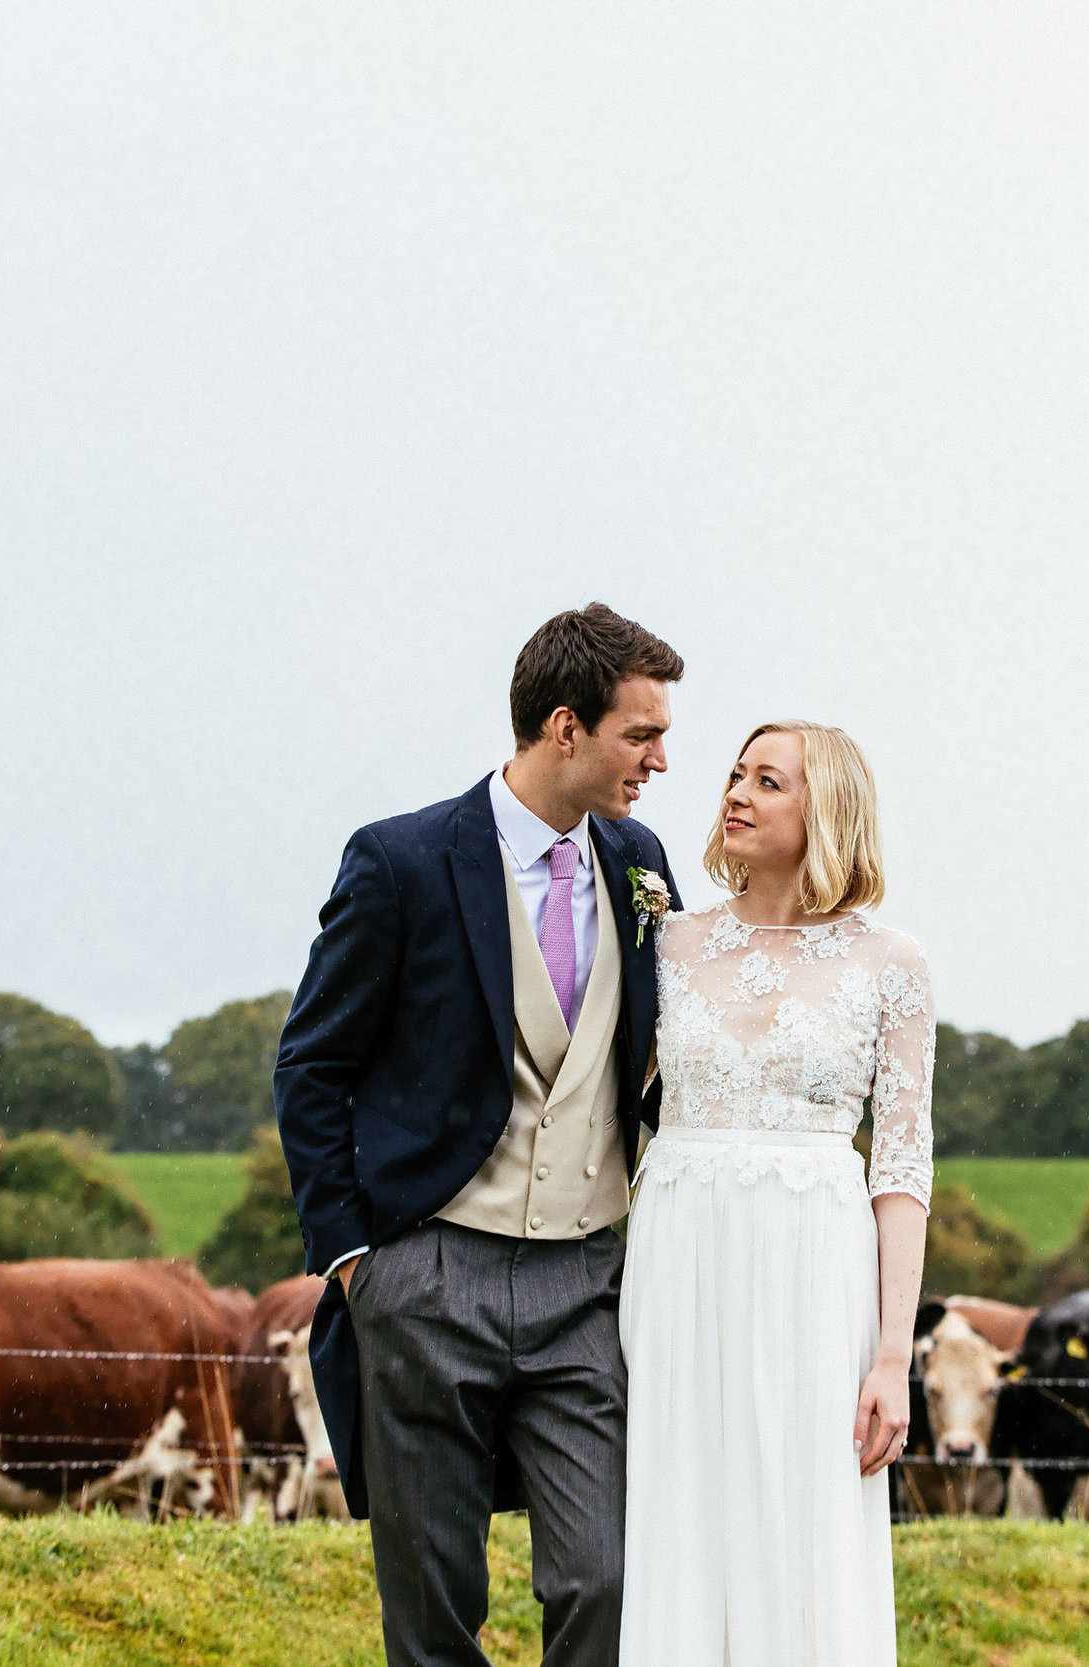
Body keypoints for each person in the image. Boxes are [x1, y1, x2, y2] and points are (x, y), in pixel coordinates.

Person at [275, 602, 685, 1667]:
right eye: (640, 734)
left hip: (586, 1282)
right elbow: (312, 1063)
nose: (662, 758)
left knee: (604, 1576)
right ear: (563, 726)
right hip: (428, 1273)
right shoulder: (401, 859)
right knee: (432, 1598)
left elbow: (650, 1064)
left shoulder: (641, 862)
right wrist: (356, 1259)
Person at [618, 720, 933, 1667]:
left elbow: (904, 1168)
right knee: (682, 1508)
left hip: (816, 1269)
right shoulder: (665, 944)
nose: (737, 793)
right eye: (735, 774)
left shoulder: (893, 965)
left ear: (826, 808)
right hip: (680, 1256)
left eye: (770, 781)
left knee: (803, 1516)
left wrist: (889, 1357)